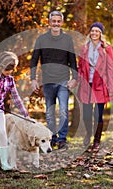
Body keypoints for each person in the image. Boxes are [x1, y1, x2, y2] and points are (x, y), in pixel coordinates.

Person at [30, 10, 78, 150]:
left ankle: (62, 139)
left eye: (58, 21)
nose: (56, 23)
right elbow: (34, 60)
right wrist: (33, 79)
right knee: (50, 112)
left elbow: (73, 61)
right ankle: (52, 138)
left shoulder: (67, 39)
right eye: (53, 21)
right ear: (49, 23)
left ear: (61, 23)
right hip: (47, 81)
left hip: (63, 81)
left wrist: (74, 78)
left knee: (63, 110)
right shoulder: (42, 39)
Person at [77, 22, 113, 151]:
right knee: (86, 115)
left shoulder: (106, 48)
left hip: (100, 85)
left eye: (97, 31)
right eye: (92, 31)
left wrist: (111, 88)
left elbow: (110, 69)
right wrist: (77, 82)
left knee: (98, 115)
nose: (94, 33)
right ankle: (88, 135)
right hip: (86, 84)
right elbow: (81, 67)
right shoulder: (85, 48)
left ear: (101, 34)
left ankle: (97, 141)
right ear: (90, 33)